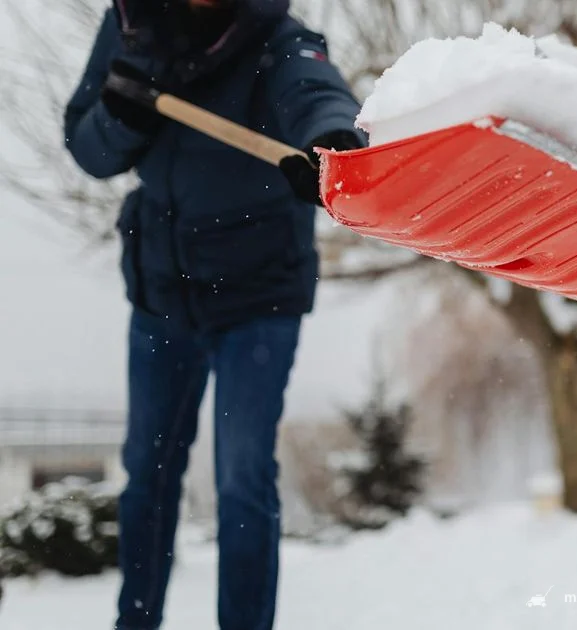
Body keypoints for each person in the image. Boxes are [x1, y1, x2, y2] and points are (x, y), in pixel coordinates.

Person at [62, 1, 367, 628]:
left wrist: (332, 143)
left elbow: (315, 92)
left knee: (242, 477)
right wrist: (119, 116)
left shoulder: (275, 35)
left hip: (258, 295)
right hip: (162, 289)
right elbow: (89, 148)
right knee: (148, 474)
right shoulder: (131, 23)